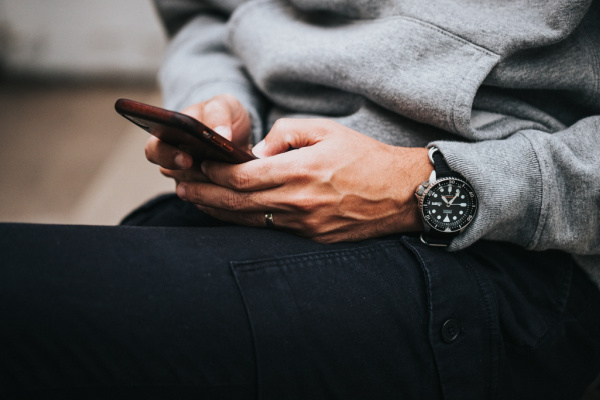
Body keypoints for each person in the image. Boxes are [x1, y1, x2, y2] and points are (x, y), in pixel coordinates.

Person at [1, 0, 600, 398]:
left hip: (513, 247)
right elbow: (209, 15)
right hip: (268, 185)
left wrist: (426, 188)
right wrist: (219, 98)